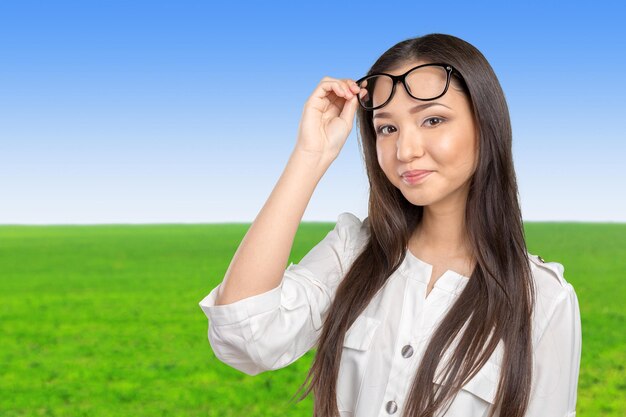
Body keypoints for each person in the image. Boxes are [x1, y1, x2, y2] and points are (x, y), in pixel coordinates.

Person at [198, 33, 582, 417]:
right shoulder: (353, 252)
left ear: (486, 124)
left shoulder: (544, 302)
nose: (406, 150)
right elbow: (244, 336)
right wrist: (310, 156)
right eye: (387, 128)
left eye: (433, 119)